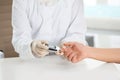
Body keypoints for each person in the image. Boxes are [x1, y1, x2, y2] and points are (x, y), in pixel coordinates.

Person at [12, 0, 87, 58]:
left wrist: (66, 45)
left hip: (66, 61)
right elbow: (20, 38)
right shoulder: (21, 1)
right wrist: (32, 46)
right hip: (34, 63)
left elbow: (78, 34)